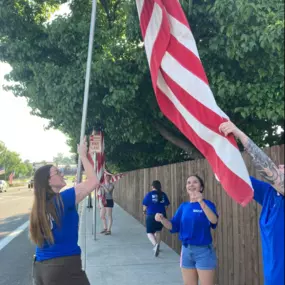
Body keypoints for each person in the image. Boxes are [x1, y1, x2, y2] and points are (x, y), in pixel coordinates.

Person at [219, 121, 284, 285]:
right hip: (273, 275)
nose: (281, 165)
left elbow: (267, 168)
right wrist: (218, 152)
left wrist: (239, 133)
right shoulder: (269, 193)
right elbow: (239, 177)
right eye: (281, 165)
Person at [29, 138, 99, 285]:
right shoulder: (63, 199)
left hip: (41, 268)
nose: (61, 173)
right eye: (57, 172)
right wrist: (83, 156)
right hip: (63, 266)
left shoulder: (40, 207)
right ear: (48, 181)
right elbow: (94, 181)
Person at [155, 175, 218, 285]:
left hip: (203, 251)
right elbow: (173, 226)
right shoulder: (184, 206)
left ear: (201, 188)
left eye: (195, 182)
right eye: (188, 182)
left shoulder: (208, 204)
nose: (191, 184)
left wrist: (201, 202)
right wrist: (162, 219)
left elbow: (213, 220)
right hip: (186, 250)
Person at [142, 180, 170, 257]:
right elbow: (167, 205)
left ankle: (155, 245)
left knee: (149, 232)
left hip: (151, 215)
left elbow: (145, 205)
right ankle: (158, 245)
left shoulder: (149, 194)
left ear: (152, 187)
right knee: (158, 231)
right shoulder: (163, 194)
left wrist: (144, 211)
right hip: (161, 216)